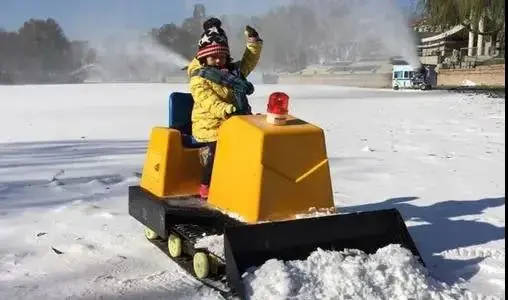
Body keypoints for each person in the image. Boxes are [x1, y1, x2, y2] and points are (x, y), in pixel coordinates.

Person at [186, 18, 263, 199]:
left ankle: (248, 183)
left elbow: (249, 60)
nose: (219, 60)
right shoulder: (200, 78)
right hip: (210, 126)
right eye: (214, 57)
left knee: (254, 145)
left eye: (222, 56)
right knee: (217, 150)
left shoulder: (233, 73)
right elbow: (208, 101)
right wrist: (226, 109)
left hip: (236, 122)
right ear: (204, 57)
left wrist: (253, 42)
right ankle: (206, 186)